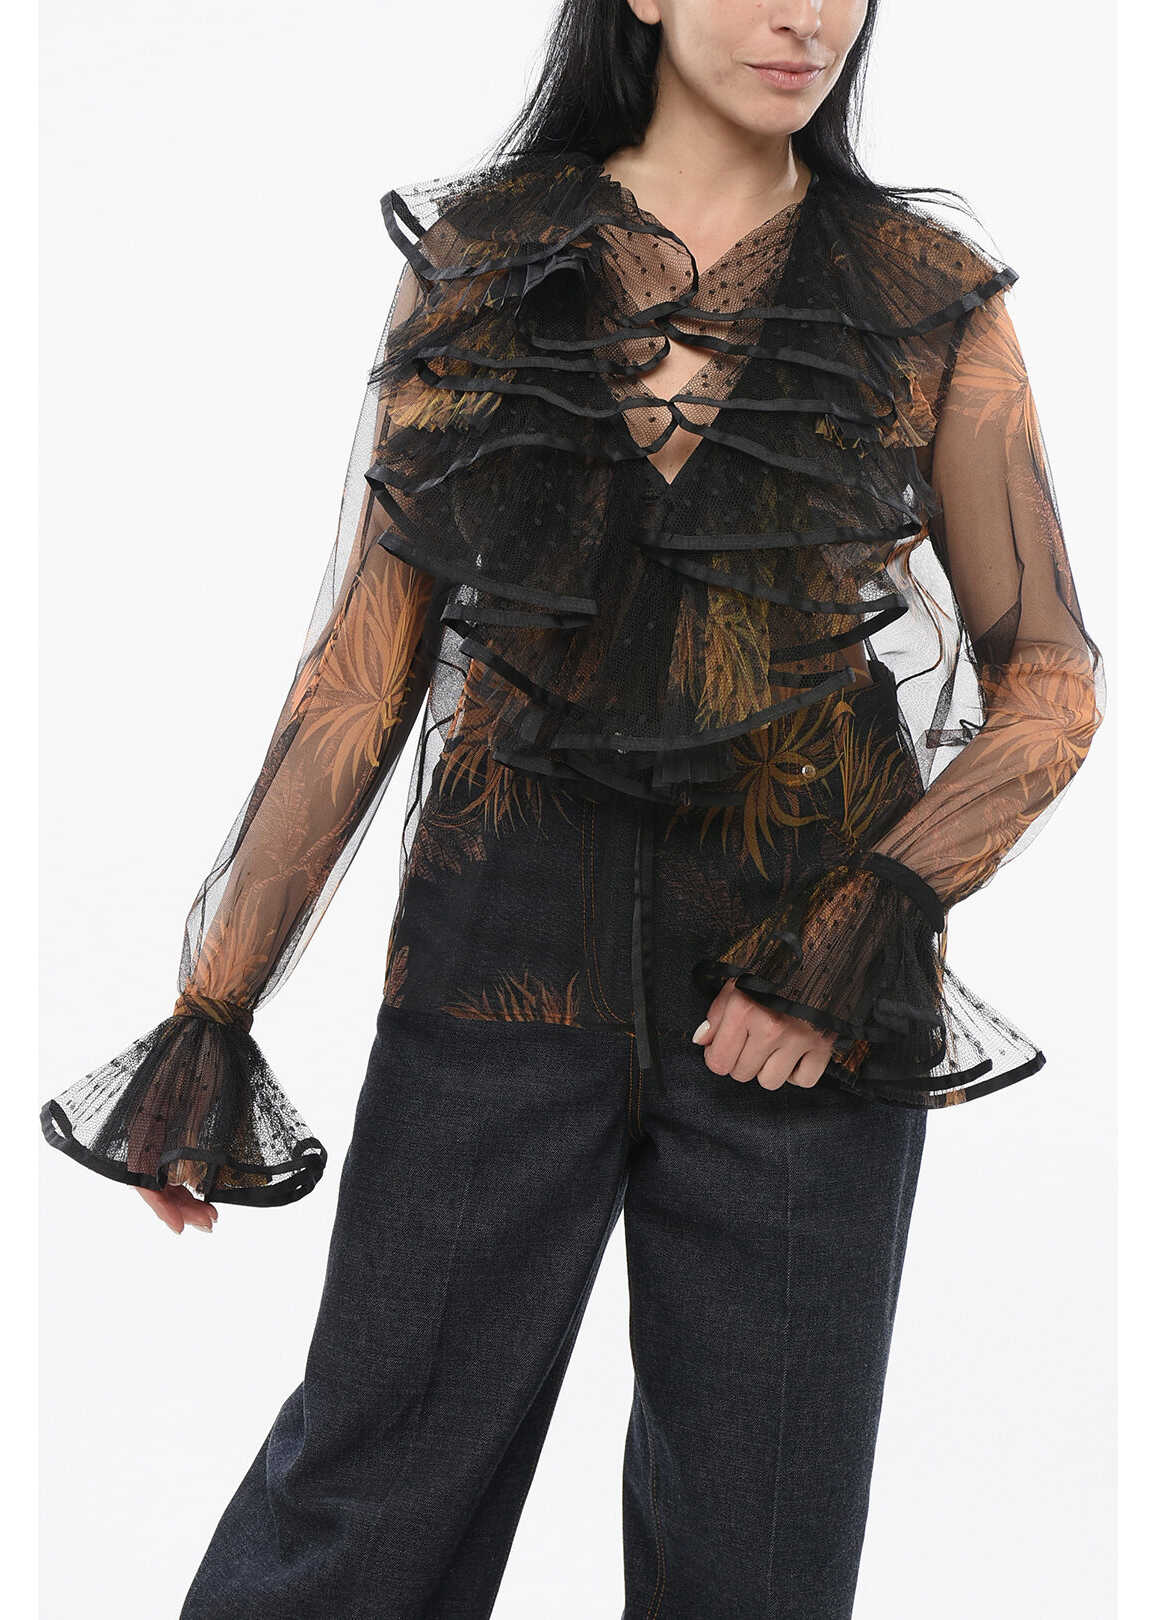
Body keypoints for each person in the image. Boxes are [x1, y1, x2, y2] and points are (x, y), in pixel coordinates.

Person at [40, 2, 1105, 1616]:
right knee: (358, 1513)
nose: (808, 15)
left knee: (758, 1557)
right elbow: (363, 672)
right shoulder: (481, 262)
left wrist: (854, 933)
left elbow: (1049, 682)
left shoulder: (922, 293)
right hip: (494, 968)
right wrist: (214, 1010)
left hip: (796, 1006)